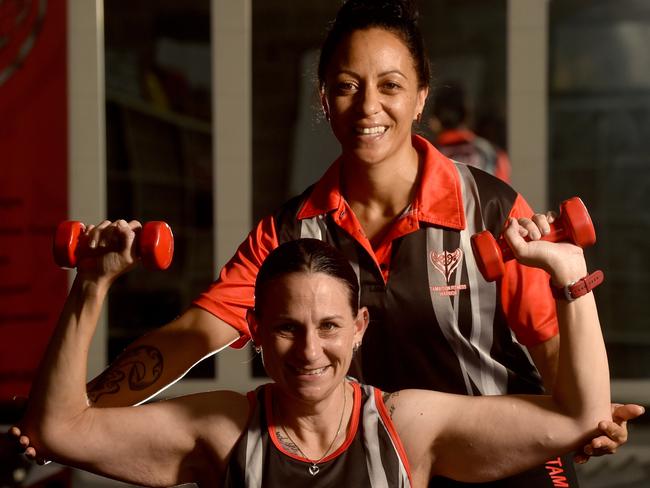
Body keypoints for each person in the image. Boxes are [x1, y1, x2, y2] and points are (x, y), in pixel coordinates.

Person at [11, 0, 643, 486]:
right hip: (382, 459)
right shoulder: (289, 233)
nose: (369, 105)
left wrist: (584, 417)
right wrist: (76, 415)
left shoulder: (492, 209)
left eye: (391, 85)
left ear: (421, 97)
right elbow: (189, 339)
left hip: (497, 453)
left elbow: (555, 358)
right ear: (325, 99)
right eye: (347, 85)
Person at [17, 234, 616, 487]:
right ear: (253, 331)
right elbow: (60, 428)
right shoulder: (223, 432)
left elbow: (578, 417)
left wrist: (568, 272)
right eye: (286, 329)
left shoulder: (407, 427)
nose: (309, 352)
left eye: (329, 327)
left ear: (359, 330)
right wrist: (91, 284)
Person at [429, 81, 512, 183]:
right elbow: (503, 196)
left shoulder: (425, 157)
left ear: (434, 120)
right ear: (467, 114)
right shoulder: (493, 155)